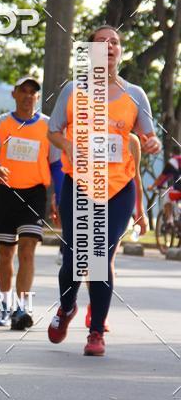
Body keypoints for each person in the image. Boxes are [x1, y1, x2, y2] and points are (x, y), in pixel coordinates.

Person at [47, 25, 160, 356]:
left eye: (115, 42)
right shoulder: (73, 90)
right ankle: (67, 307)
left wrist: (152, 142)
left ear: (119, 52)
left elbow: (148, 135)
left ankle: (96, 332)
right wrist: (69, 145)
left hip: (118, 187)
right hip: (80, 183)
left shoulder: (135, 94)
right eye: (101, 42)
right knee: (72, 258)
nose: (109, 46)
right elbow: (53, 131)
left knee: (99, 254)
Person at [0, 76, 62, 329]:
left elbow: (56, 165)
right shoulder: (1, 123)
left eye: (33, 92)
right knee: (6, 252)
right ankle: (5, 304)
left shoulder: (48, 127)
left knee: (28, 250)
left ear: (37, 97)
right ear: (14, 94)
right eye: (24, 91)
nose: (29, 96)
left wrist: (58, 198)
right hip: (7, 193)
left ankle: (21, 308)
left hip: (35, 194)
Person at [84, 133, 148, 331]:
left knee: (105, 257)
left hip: (120, 204)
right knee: (92, 260)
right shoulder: (87, 134)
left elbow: (136, 177)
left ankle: (99, 311)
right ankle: (96, 303)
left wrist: (141, 212)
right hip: (90, 201)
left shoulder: (131, 141)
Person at [148, 151, 181, 224]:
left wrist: (153, 186)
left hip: (178, 191)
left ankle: (170, 220)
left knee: (168, 196)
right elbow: (167, 177)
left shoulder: (173, 161)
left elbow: (162, 177)